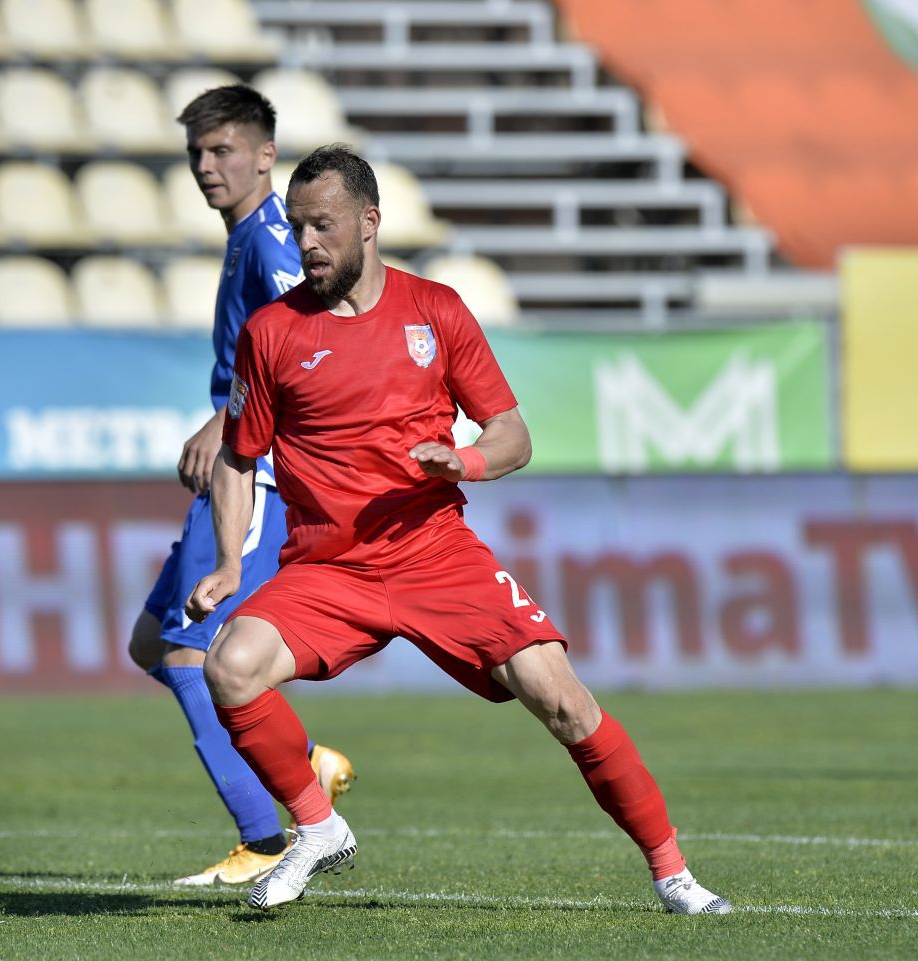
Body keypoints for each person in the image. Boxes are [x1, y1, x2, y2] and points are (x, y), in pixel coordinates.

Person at [186, 144, 732, 914]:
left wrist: (465, 463)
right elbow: (239, 458)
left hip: (434, 553)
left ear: (370, 223)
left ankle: (673, 873)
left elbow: (512, 432)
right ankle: (317, 826)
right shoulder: (272, 332)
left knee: (565, 700)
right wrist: (229, 562)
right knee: (230, 666)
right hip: (328, 569)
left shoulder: (435, 310)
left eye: (323, 225)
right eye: (298, 226)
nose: (306, 243)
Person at [128, 88, 355, 888]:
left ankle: (265, 836)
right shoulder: (242, 241)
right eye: (196, 153)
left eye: (222, 150)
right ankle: (303, 764)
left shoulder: (271, 243)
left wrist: (228, 423)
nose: (205, 166)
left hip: (258, 475)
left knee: (193, 657)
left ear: (266, 155)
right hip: (233, 468)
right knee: (153, 645)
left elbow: (313, 333)